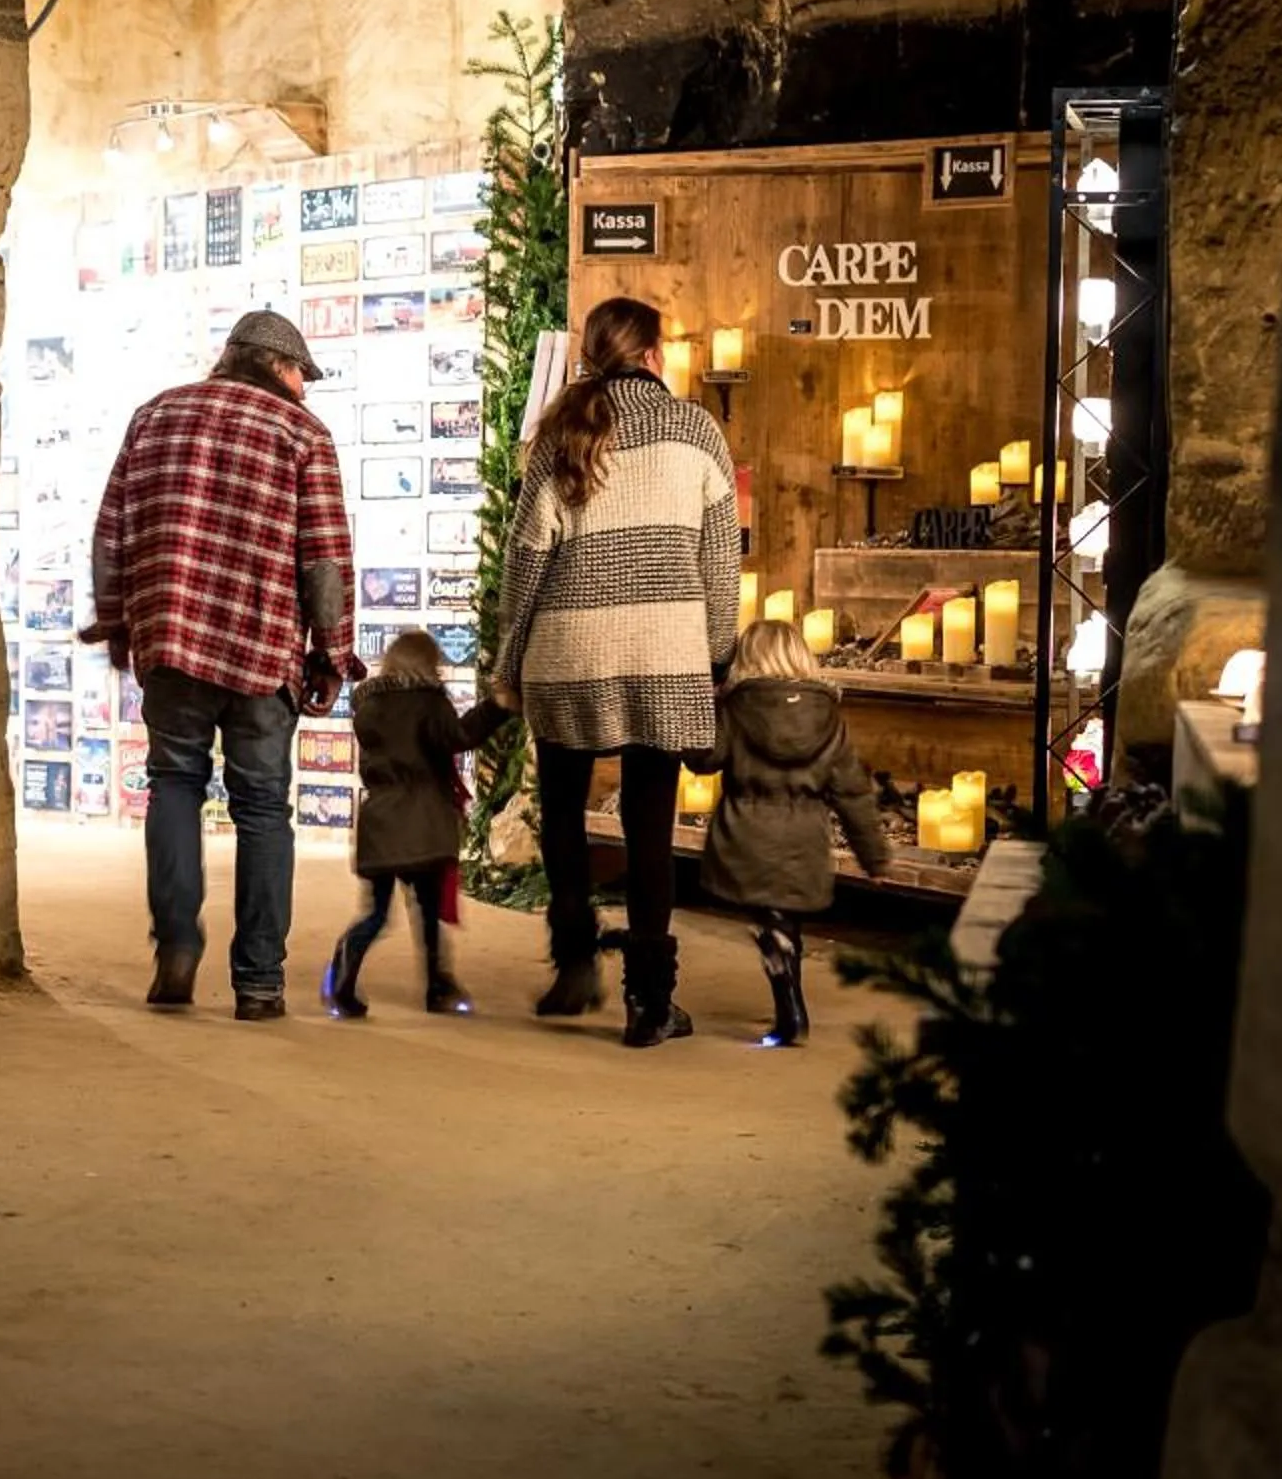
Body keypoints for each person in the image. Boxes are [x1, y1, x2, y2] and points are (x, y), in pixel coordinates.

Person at [87, 309, 359, 1022]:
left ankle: (177, 945)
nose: (305, 389)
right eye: (302, 374)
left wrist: (115, 621)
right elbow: (324, 560)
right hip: (262, 650)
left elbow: (112, 533)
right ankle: (259, 982)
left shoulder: (156, 415)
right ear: (278, 366)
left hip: (172, 641)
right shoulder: (303, 434)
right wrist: (331, 651)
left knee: (174, 784)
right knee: (263, 807)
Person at [491, 296, 738, 1048]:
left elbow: (524, 562)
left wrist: (509, 664)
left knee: (564, 814)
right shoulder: (696, 428)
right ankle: (650, 1003)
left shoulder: (561, 432)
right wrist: (715, 656)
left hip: (567, 656)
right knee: (650, 828)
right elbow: (720, 563)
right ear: (654, 356)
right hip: (665, 654)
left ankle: (574, 966)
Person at [687, 619, 891, 1047]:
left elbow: (704, 760)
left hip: (746, 834)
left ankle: (785, 986)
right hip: (804, 840)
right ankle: (787, 991)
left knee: (767, 913)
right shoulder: (828, 716)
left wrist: (703, 706)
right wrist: (873, 857)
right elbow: (851, 791)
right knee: (785, 916)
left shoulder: (737, 707)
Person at [323, 630, 514, 1019]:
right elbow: (459, 736)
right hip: (423, 822)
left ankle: (343, 972)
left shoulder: (369, 706)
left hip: (379, 822)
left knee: (376, 914)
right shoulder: (429, 703)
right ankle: (437, 987)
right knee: (427, 913)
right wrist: (497, 707)